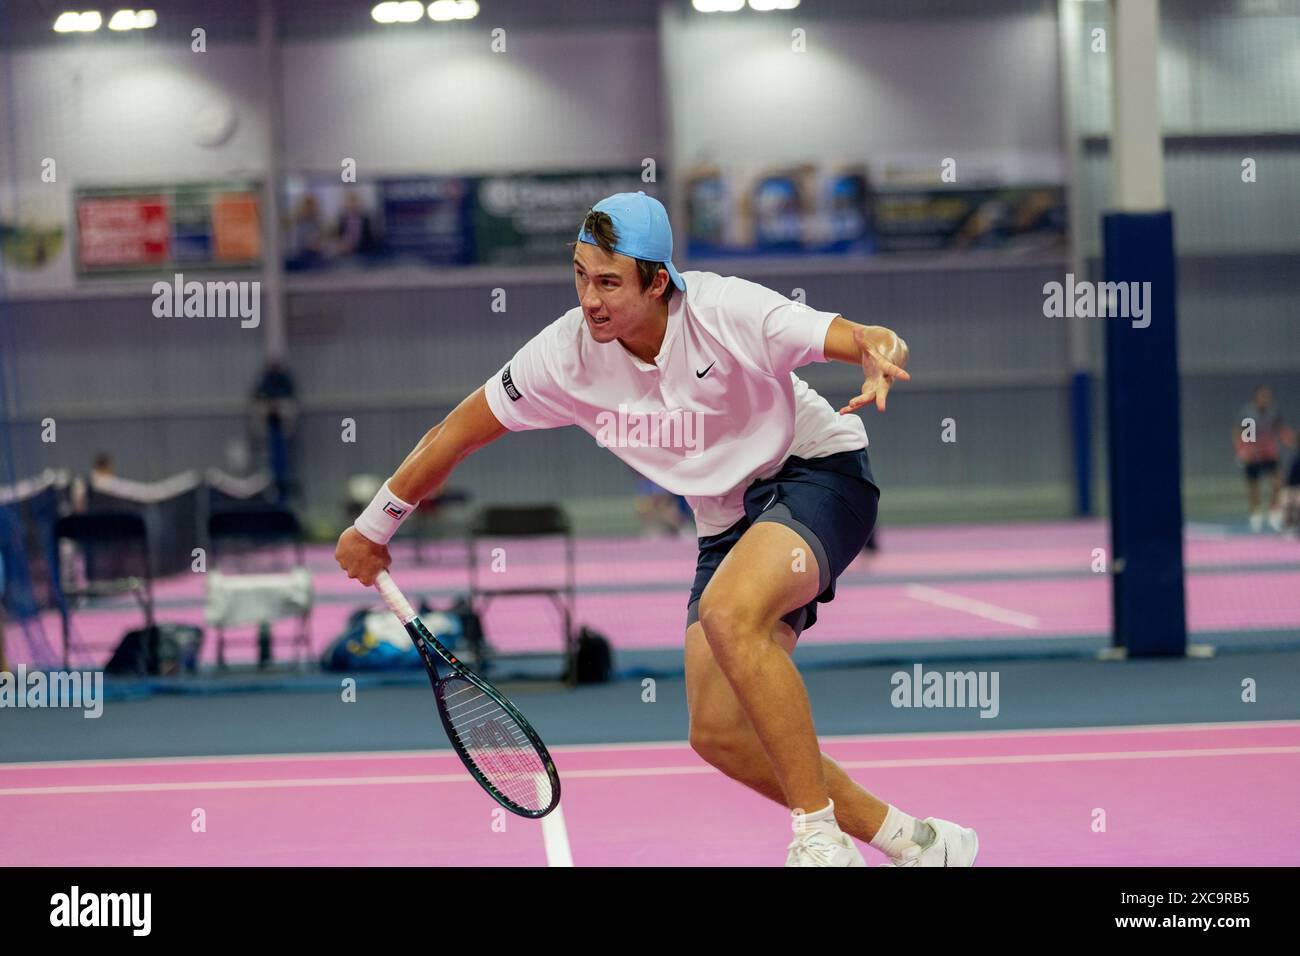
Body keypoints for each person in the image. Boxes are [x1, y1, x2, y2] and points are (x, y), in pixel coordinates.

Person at [335, 192, 977, 867]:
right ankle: (916, 842)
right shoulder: (563, 355)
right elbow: (454, 434)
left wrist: (878, 351)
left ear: (658, 281)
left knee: (730, 615)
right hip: (726, 518)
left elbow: (859, 334)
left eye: (609, 281)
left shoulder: (729, 311)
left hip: (817, 473)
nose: (591, 297)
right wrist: (374, 525)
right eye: (581, 275)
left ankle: (820, 839)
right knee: (718, 733)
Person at [1233, 385, 1295, 532]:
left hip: (1269, 455)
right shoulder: (1248, 413)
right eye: (1262, 396)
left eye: (1267, 397)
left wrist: (1289, 439)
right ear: (1256, 397)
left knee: (1278, 481)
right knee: (1253, 487)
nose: (1265, 400)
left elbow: (1280, 429)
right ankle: (1255, 515)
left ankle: (1274, 512)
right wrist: (1242, 451)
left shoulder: (1273, 412)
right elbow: (1240, 434)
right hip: (1253, 456)